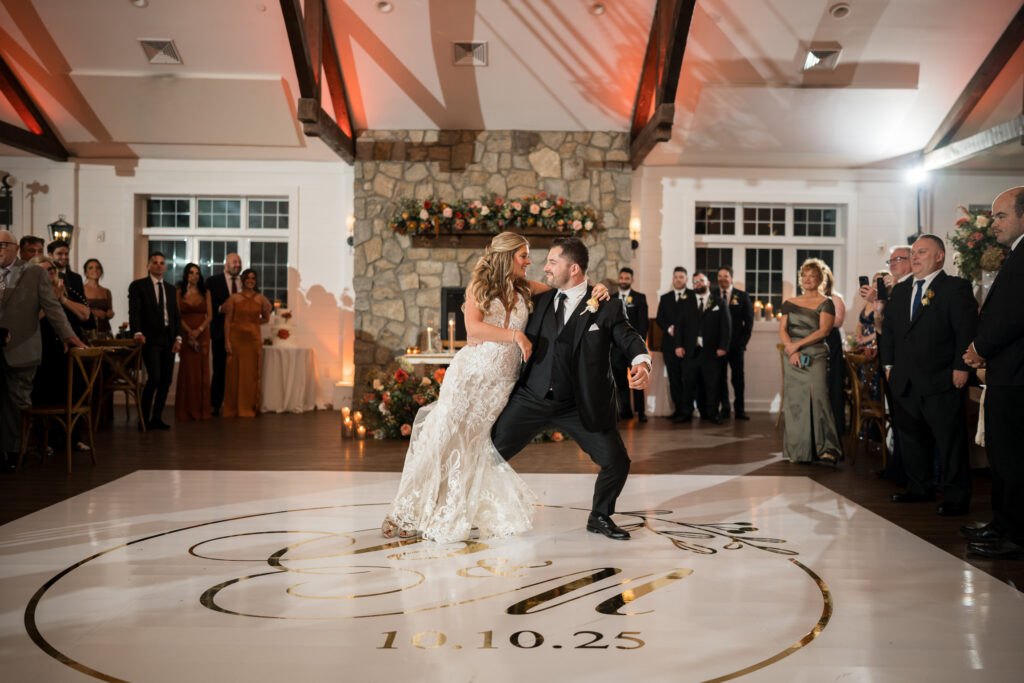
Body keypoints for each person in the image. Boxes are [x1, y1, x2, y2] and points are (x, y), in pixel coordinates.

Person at [490, 236, 651, 541]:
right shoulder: (538, 299)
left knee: (617, 461)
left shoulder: (607, 304)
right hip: (532, 397)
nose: (545, 267)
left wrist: (642, 363)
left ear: (573, 268)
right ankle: (464, 511)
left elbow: (628, 336)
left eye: (552, 262)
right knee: (489, 454)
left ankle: (600, 516)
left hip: (579, 404)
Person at [881, 235, 976, 516]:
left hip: (941, 378)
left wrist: (963, 366)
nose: (915, 257)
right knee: (911, 439)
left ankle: (956, 497)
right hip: (904, 380)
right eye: (913, 252)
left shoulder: (955, 288)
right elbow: (889, 331)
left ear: (939, 257)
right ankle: (919, 488)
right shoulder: (900, 290)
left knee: (949, 442)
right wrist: (888, 366)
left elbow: (966, 330)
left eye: (922, 252)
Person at [962, 186, 1024, 558]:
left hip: (1017, 375)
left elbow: (1016, 316)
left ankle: (1017, 535)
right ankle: (1001, 524)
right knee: (1002, 457)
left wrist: (980, 348)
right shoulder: (1016, 254)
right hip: (1007, 371)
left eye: (1001, 216)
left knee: (1014, 459)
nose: (993, 225)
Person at [0, 230, 86, 471]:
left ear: (15, 248)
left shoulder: (33, 273)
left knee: (17, 404)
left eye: (3, 245)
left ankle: (16, 453)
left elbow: (53, 307)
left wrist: (68, 334)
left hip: (22, 348)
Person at [779, 259, 842, 464]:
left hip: (816, 356)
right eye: (804, 276)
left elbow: (824, 331)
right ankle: (799, 450)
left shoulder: (827, 302)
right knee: (795, 402)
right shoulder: (790, 302)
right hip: (793, 356)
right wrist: (791, 349)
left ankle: (827, 448)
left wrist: (798, 345)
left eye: (812, 276)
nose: (807, 280)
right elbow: (782, 329)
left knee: (819, 399)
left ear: (819, 279)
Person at [28, 255, 92, 452]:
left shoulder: (69, 291)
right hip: (43, 351)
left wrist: (62, 299)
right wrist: (50, 302)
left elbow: (86, 316)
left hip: (69, 351)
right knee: (44, 394)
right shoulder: (29, 295)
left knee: (72, 392)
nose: (50, 273)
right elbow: (29, 321)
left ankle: (72, 438)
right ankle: (44, 440)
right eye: (45, 270)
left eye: (52, 269)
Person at [128, 252, 182, 430]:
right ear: (148, 266)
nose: (159, 265)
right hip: (150, 339)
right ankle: (143, 419)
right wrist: (137, 332)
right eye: (155, 262)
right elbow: (134, 311)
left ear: (165, 267)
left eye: (161, 263)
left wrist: (178, 338)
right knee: (155, 378)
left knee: (166, 380)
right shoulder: (138, 286)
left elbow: (175, 316)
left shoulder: (171, 289)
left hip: (168, 338)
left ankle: (157, 418)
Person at [672, 271, 730, 424]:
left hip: (711, 351)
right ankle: (686, 413)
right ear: (693, 285)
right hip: (690, 351)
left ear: (708, 283)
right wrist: (678, 345)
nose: (698, 284)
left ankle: (712, 414)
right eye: (695, 282)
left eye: (701, 281)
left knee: (712, 385)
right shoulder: (685, 302)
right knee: (688, 384)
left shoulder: (719, 302)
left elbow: (726, 327)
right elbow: (679, 326)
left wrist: (723, 346)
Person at [222, 268, 271, 418]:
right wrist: (227, 341)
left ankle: (249, 407)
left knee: (251, 375)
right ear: (243, 280)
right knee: (234, 374)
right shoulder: (234, 298)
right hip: (236, 340)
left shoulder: (261, 299)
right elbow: (227, 321)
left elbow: (266, 318)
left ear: (256, 281)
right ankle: (233, 407)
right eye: (248, 278)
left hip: (253, 340)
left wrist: (253, 322)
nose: (250, 281)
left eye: (253, 278)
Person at [175, 263, 212, 421]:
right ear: (185, 275)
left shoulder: (206, 292)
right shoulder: (178, 293)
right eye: (191, 273)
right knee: (187, 371)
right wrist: (190, 332)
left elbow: (209, 315)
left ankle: (201, 410)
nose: (194, 276)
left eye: (197, 273)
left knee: (201, 372)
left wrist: (199, 330)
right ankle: (186, 410)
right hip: (185, 333)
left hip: (202, 334)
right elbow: (177, 315)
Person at [206, 253, 242, 416]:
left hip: (241, 334)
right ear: (226, 264)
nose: (238, 265)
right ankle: (215, 404)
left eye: (239, 262)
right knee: (219, 370)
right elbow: (207, 303)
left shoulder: (245, 282)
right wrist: (220, 308)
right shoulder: (213, 281)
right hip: (220, 332)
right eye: (234, 262)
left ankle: (235, 404)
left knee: (238, 371)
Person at [611, 267, 649, 422]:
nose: (623, 281)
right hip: (616, 350)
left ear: (632, 280)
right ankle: (625, 410)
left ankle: (641, 412)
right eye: (621, 278)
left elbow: (643, 324)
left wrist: (638, 346)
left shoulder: (640, 298)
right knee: (620, 382)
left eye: (627, 278)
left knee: (637, 378)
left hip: (634, 349)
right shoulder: (611, 298)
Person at [716, 266, 754, 420]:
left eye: (725, 276)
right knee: (720, 378)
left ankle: (740, 410)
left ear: (731, 277)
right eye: (720, 276)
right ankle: (725, 408)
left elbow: (749, 322)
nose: (722, 278)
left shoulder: (742, 296)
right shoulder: (712, 296)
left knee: (738, 379)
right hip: (718, 347)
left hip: (736, 346)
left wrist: (743, 343)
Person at [655, 267, 689, 419]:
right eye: (676, 277)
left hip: (687, 346)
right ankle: (678, 410)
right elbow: (659, 318)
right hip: (669, 345)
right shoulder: (665, 298)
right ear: (673, 279)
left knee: (687, 379)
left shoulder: (692, 296)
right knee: (674, 379)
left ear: (686, 279)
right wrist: (669, 327)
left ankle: (687, 411)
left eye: (681, 277)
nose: (678, 280)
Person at [820, 265, 847, 442]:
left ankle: (835, 425)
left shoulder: (836, 298)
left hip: (831, 341)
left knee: (833, 382)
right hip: (817, 342)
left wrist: (818, 321)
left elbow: (837, 321)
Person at [83, 259, 114, 340]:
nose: (95, 270)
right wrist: (94, 312)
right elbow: (78, 311)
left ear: (101, 271)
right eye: (91, 268)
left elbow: (110, 310)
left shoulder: (107, 291)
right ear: (86, 272)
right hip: (88, 332)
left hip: (105, 331)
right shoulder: (81, 290)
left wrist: (110, 314)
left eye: (98, 268)